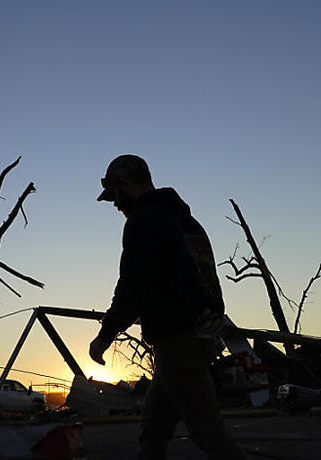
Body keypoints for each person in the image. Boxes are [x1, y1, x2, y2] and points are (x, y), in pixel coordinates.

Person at [88, 154, 246, 460]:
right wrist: (211, 324)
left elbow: (132, 285)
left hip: (178, 340)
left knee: (207, 432)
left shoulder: (144, 221)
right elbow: (208, 279)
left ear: (127, 184)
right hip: (195, 336)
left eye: (115, 196)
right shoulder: (186, 220)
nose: (116, 205)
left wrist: (105, 336)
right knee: (154, 430)